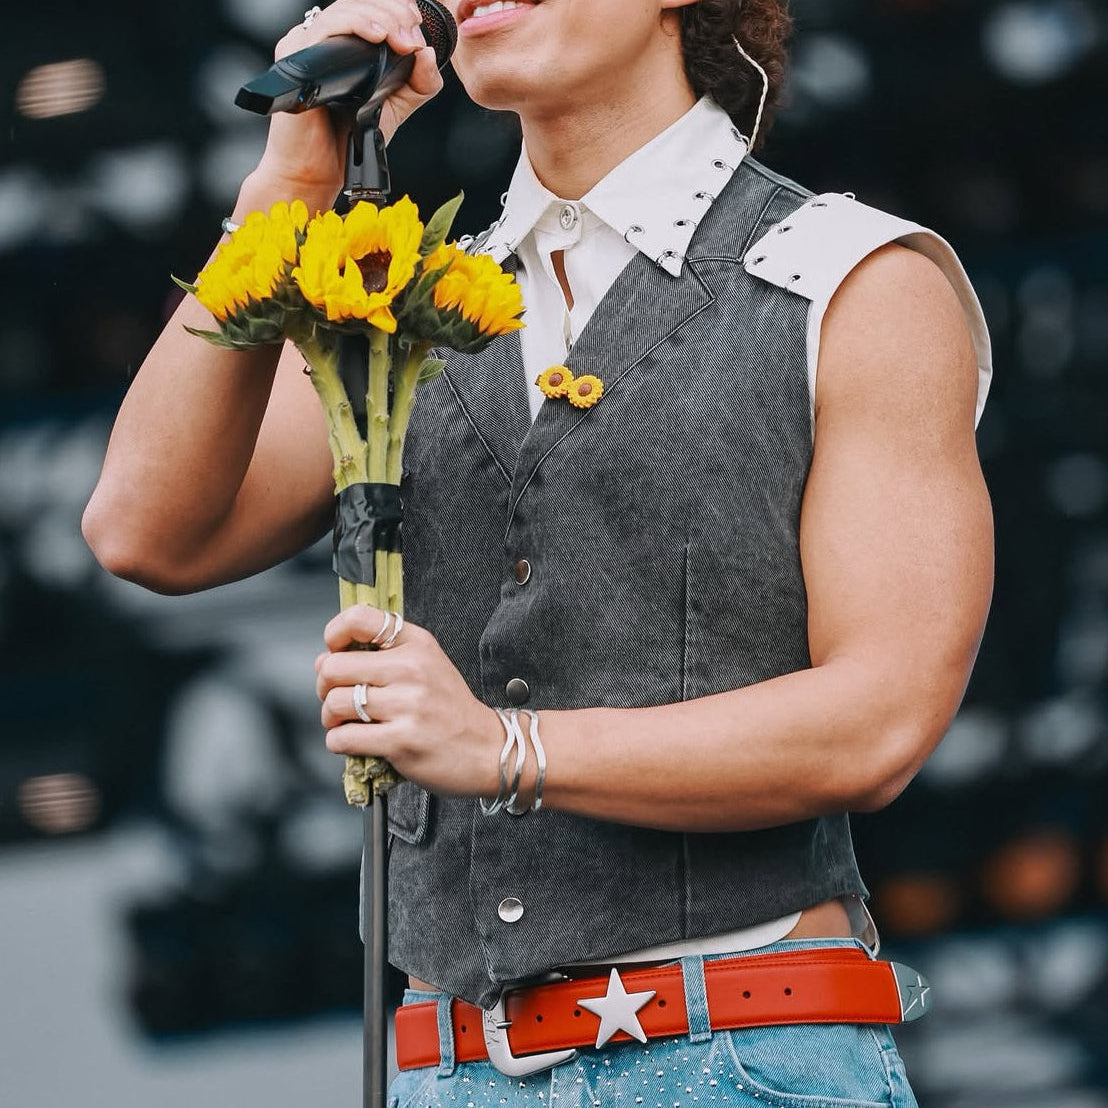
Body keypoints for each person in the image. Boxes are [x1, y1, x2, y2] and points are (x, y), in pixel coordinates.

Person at [83, 1, 994, 1105]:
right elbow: (144, 528)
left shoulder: (850, 280)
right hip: (450, 1069)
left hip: (737, 1059)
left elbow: (881, 718)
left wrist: (505, 745)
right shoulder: (407, 299)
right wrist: (288, 184)